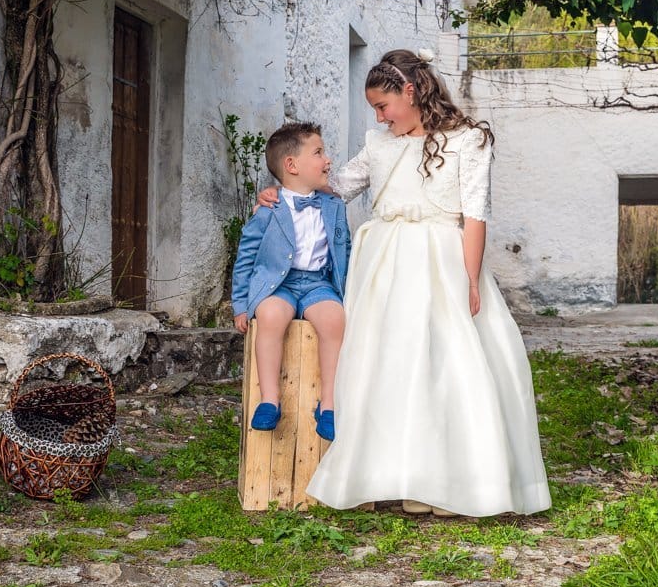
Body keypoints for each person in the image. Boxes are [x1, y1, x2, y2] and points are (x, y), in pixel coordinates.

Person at [258, 50, 551, 516]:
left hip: (441, 258)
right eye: (374, 108)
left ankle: (454, 481)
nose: (378, 116)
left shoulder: (468, 139)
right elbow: (337, 186)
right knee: (389, 366)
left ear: (411, 92)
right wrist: (281, 191)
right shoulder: (380, 145)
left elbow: (474, 216)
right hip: (386, 261)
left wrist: (471, 281)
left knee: (447, 365)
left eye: (383, 106)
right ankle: (397, 475)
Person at [232, 122, 351, 441]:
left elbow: (345, 251)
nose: (327, 159)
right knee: (270, 316)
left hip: (317, 283)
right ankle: (270, 400)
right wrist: (241, 305)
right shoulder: (269, 207)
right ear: (291, 165)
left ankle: (328, 405)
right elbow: (245, 256)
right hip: (277, 286)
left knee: (334, 319)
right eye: (319, 152)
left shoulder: (334, 205)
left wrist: (348, 293)